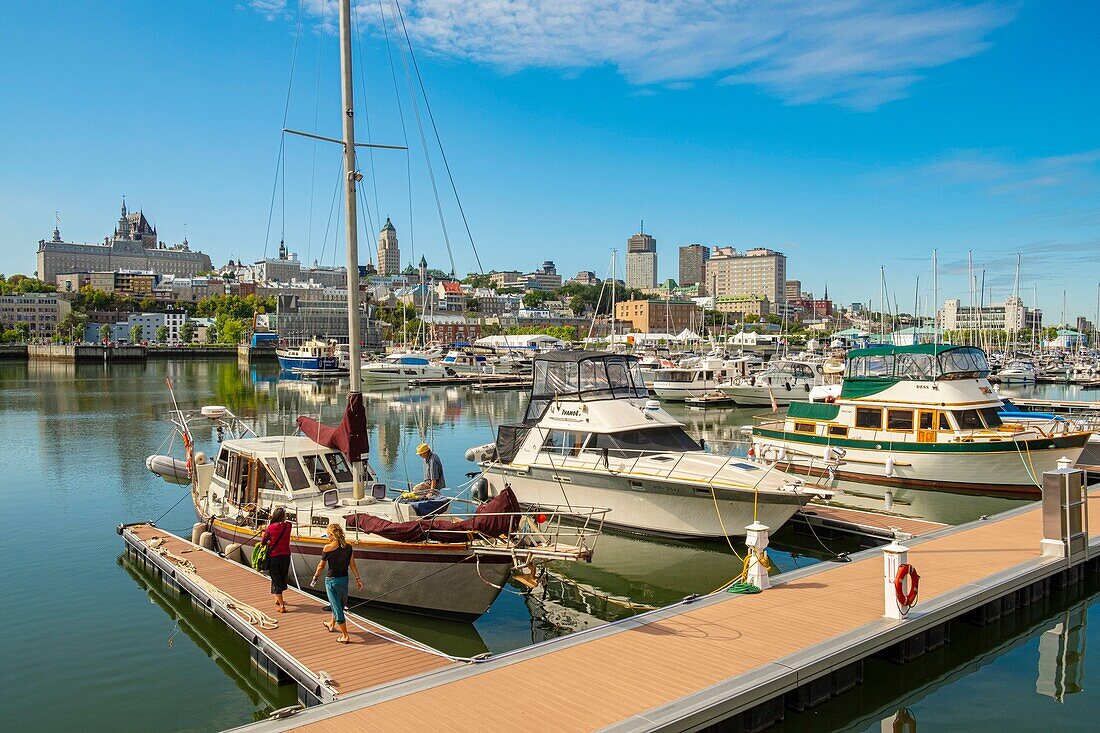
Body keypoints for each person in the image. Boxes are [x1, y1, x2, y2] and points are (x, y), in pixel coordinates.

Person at [311, 523, 363, 644]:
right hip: (344, 580)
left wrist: (315, 577)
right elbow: (353, 565)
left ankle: (345, 636)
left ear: (331, 535)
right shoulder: (348, 547)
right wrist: (358, 579)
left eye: (327, 534)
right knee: (338, 604)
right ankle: (331, 624)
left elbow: (321, 566)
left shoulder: (327, 548)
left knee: (337, 608)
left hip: (332, 581)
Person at [259, 507, 292, 613]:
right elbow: (286, 523)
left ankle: (282, 606)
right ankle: (278, 599)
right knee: (282, 577)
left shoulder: (270, 527)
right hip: (286, 556)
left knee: (275, 578)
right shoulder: (288, 526)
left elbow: (263, 541)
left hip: (274, 556)